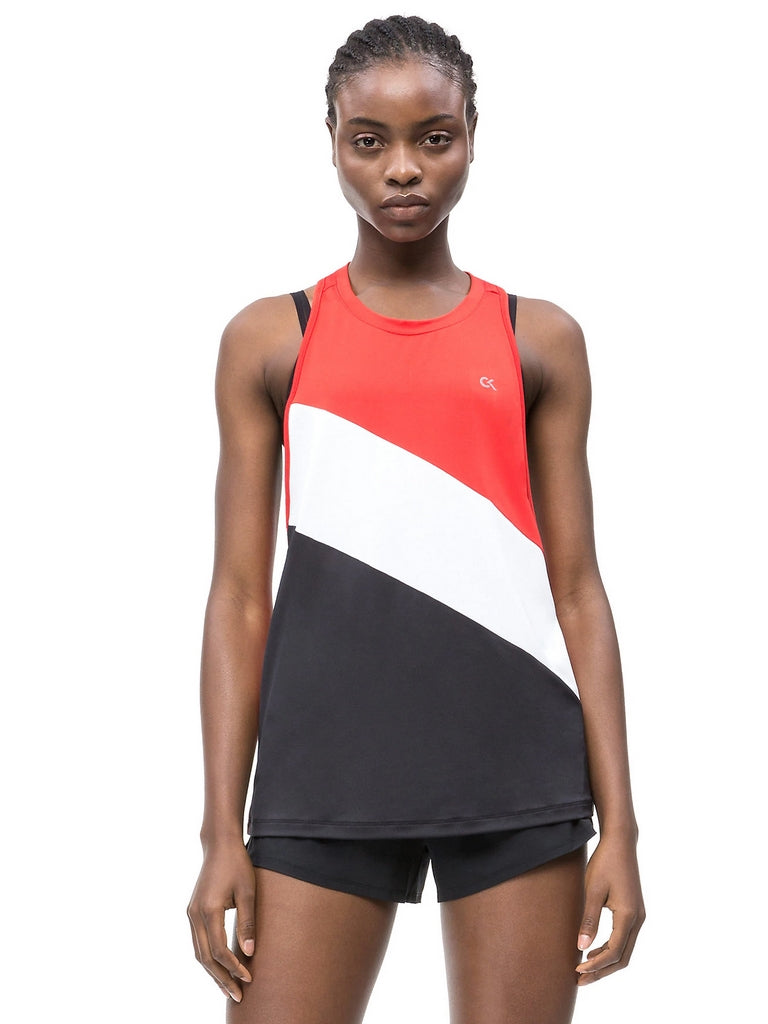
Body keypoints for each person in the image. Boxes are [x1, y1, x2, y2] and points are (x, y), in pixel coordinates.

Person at [187, 14, 645, 1023]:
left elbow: (578, 589)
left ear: (472, 136)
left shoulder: (537, 338)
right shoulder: (272, 339)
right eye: (371, 140)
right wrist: (221, 829)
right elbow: (239, 596)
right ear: (332, 141)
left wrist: (622, 826)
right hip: (323, 773)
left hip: (517, 772)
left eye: (434, 137)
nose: (403, 168)